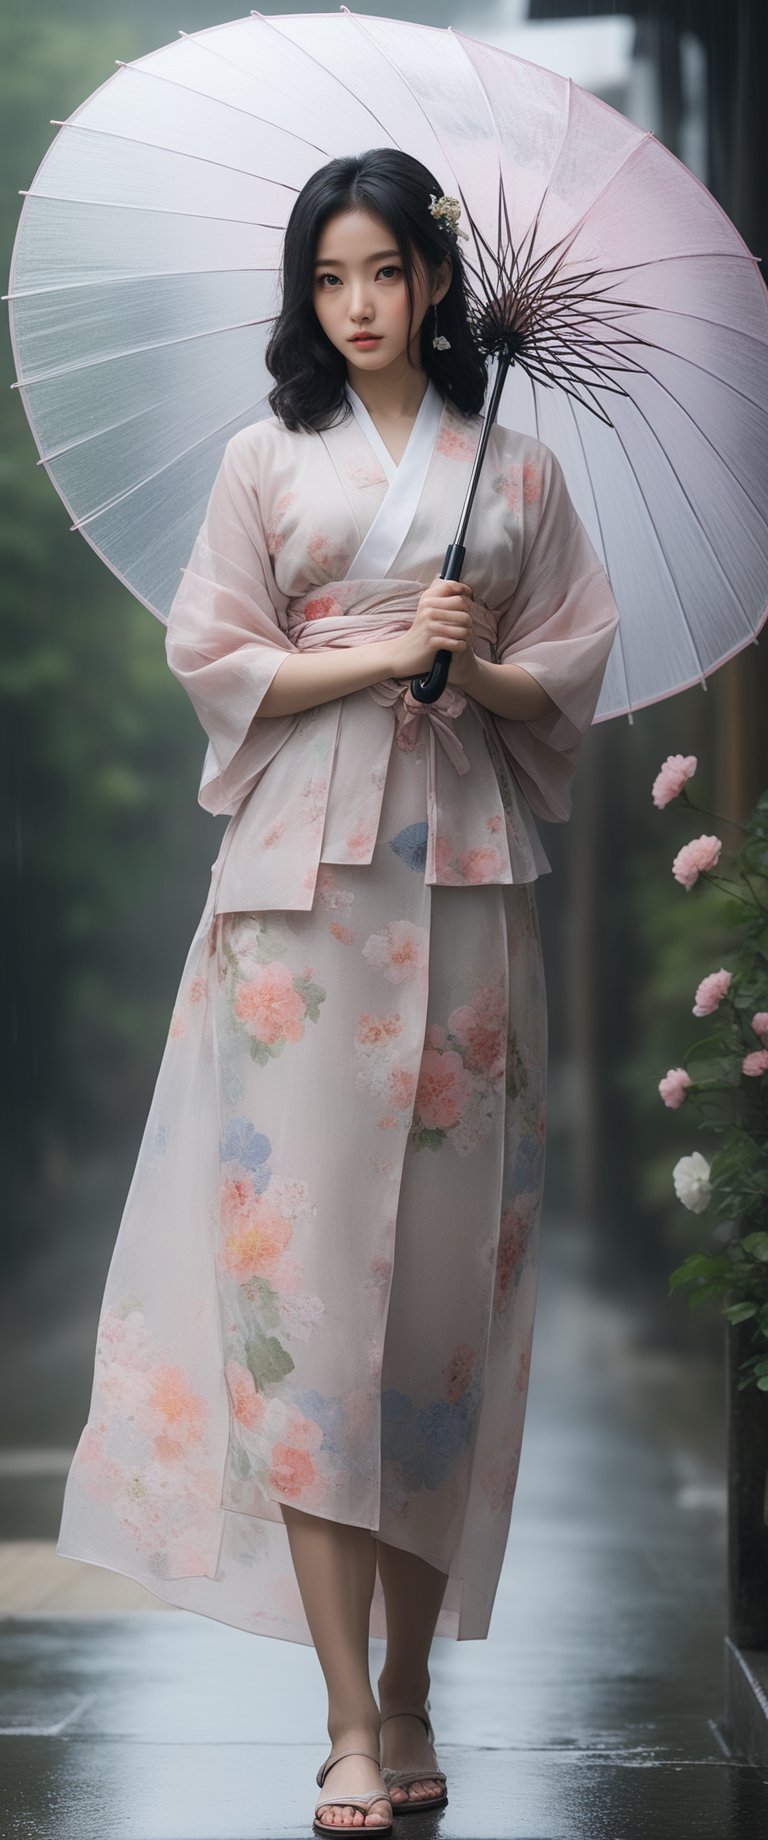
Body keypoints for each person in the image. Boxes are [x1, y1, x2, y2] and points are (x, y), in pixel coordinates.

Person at [56, 148, 620, 1834]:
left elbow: (569, 669)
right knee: (305, 1299)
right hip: (298, 908)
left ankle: (412, 1691)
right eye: (330, 279)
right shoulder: (264, 458)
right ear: (308, 297)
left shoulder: (515, 474)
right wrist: (385, 651)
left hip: (462, 902)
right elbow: (214, 653)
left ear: (437, 285)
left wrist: (487, 658)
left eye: (386, 273)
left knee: (437, 1318)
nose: (360, 306)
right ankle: (343, 1725)